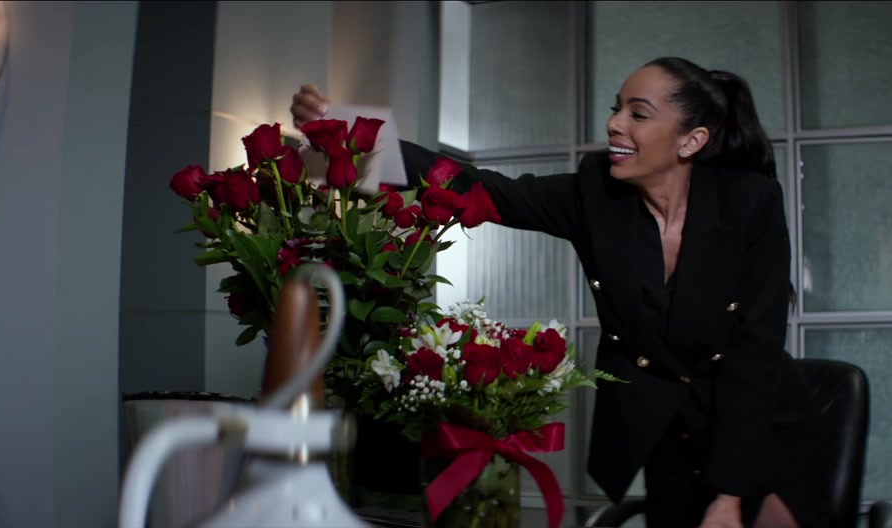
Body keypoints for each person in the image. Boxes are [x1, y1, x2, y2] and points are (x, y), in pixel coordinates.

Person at [292, 57, 824, 528]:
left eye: (638, 114)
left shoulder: (750, 203)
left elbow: (753, 356)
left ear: (691, 141)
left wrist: (730, 496)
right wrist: (349, 135)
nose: (614, 123)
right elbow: (480, 187)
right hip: (670, 440)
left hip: (762, 434)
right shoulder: (596, 196)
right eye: (616, 108)